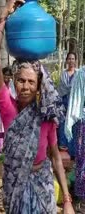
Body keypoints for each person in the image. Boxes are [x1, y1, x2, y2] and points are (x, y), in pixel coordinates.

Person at [0, 0, 74, 213]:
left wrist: (67, 201)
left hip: (42, 184)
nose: (25, 87)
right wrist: (4, 18)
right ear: (14, 82)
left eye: (30, 82)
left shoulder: (46, 115)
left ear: (38, 87)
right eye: (20, 81)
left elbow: (55, 156)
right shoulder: (7, 107)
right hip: (15, 184)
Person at [65, 66, 85, 212]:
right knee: (82, 160)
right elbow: (76, 102)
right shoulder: (81, 74)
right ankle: (79, 196)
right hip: (83, 121)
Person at [57, 52, 79, 158]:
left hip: (75, 104)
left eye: (73, 58)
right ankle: (63, 149)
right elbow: (60, 90)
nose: (71, 60)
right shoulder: (63, 74)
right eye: (69, 58)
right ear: (66, 61)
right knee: (62, 125)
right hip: (64, 103)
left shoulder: (79, 74)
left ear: (75, 61)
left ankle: (73, 152)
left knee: (74, 126)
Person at [0, 66, 16, 154]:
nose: (7, 77)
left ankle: (9, 149)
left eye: (9, 75)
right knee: (0, 130)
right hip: (0, 110)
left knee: (9, 129)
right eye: (5, 75)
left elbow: (15, 97)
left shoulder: (12, 85)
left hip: (10, 110)